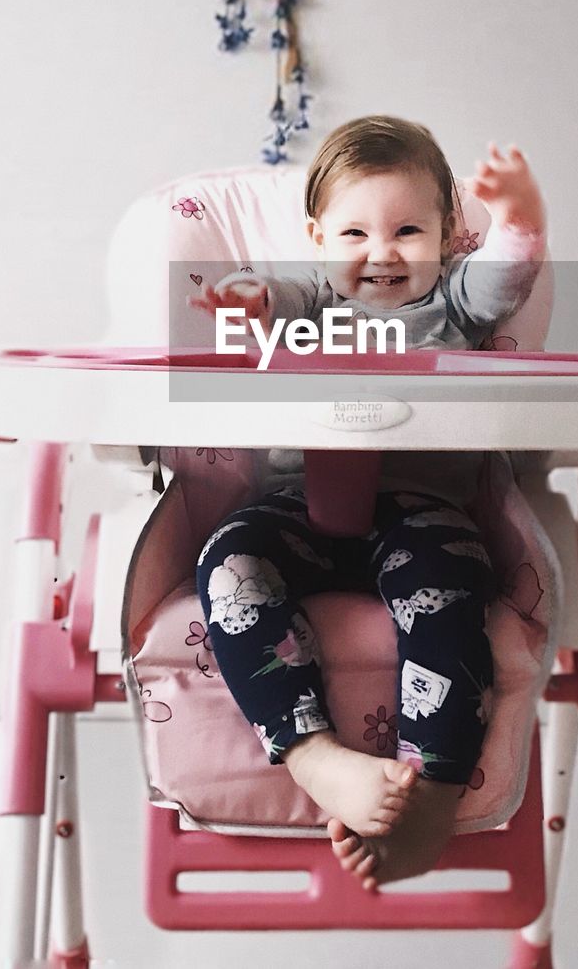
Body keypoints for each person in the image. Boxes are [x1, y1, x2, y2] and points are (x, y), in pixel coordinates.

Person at [189, 115, 547, 888]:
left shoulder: (454, 303)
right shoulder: (308, 301)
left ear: (449, 235)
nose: (381, 253)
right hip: (301, 506)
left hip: (419, 511)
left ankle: (433, 798)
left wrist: (519, 216)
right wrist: (245, 305)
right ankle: (317, 757)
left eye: (407, 231)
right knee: (228, 560)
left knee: (450, 586)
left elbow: (506, 275)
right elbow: (257, 308)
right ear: (317, 237)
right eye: (354, 232)